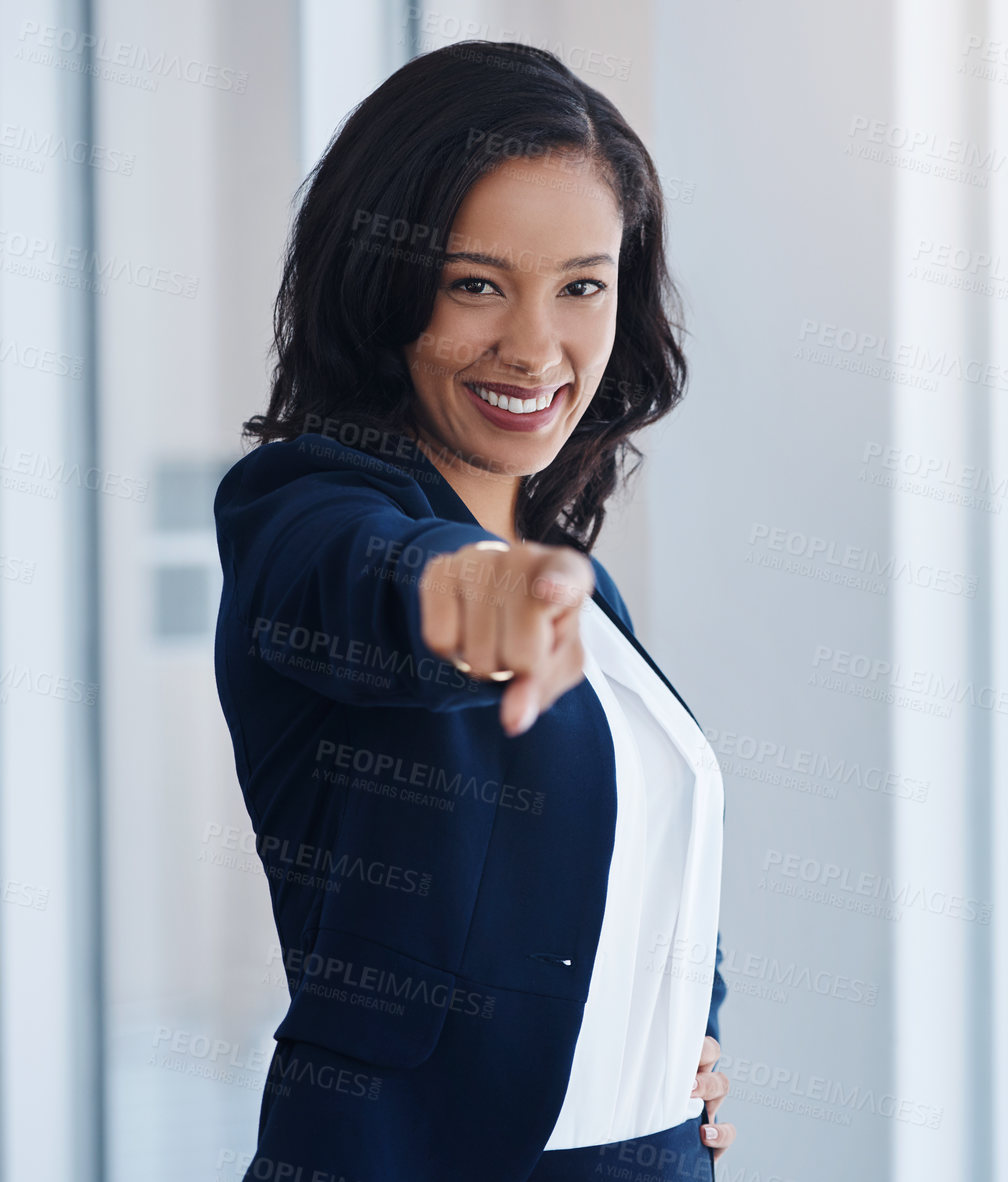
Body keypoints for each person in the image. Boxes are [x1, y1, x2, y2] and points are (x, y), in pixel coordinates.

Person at [211, 40, 731, 1182]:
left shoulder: (576, 587)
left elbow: (629, 849)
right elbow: (371, 578)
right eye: (476, 284)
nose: (537, 347)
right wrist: (469, 594)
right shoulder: (305, 502)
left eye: (581, 285)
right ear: (384, 287)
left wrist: (681, 1039)